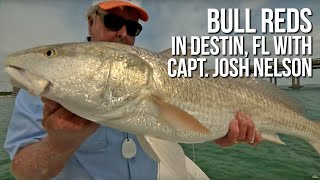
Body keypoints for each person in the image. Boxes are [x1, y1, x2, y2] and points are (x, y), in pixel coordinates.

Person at [4, 0, 263, 179]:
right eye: (113, 21)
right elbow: (23, 172)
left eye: (133, 27)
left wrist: (216, 131)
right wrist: (59, 145)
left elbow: (179, 125)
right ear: (90, 22)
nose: (123, 34)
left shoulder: (160, 76)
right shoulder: (43, 93)